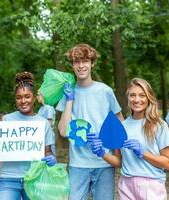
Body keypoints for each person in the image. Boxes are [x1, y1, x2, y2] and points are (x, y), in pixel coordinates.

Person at [56, 43, 124, 200]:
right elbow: (63, 131)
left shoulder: (105, 91)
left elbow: (120, 123)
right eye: (76, 62)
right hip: (78, 164)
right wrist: (69, 100)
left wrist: (118, 155)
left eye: (85, 61)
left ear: (92, 63)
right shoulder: (67, 93)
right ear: (72, 65)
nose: (81, 66)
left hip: (104, 162)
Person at [88, 78, 169, 200]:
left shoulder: (159, 125)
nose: (137, 99)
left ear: (149, 98)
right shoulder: (122, 126)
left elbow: (168, 163)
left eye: (142, 95)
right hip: (126, 185)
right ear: (128, 99)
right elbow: (119, 162)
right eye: (132, 95)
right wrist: (102, 153)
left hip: (151, 185)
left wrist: (142, 153)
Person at [0, 72, 56, 200]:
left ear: (34, 98)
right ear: (15, 99)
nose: (23, 101)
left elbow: (47, 152)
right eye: (19, 97)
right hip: (8, 178)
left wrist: (51, 159)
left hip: (34, 178)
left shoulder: (43, 122)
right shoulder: (6, 120)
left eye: (27, 96)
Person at [36, 90, 56, 154]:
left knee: (50, 158)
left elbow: (49, 125)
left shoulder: (48, 107)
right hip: (41, 137)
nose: (37, 97)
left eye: (38, 95)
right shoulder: (41, 108)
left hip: (48, 138)